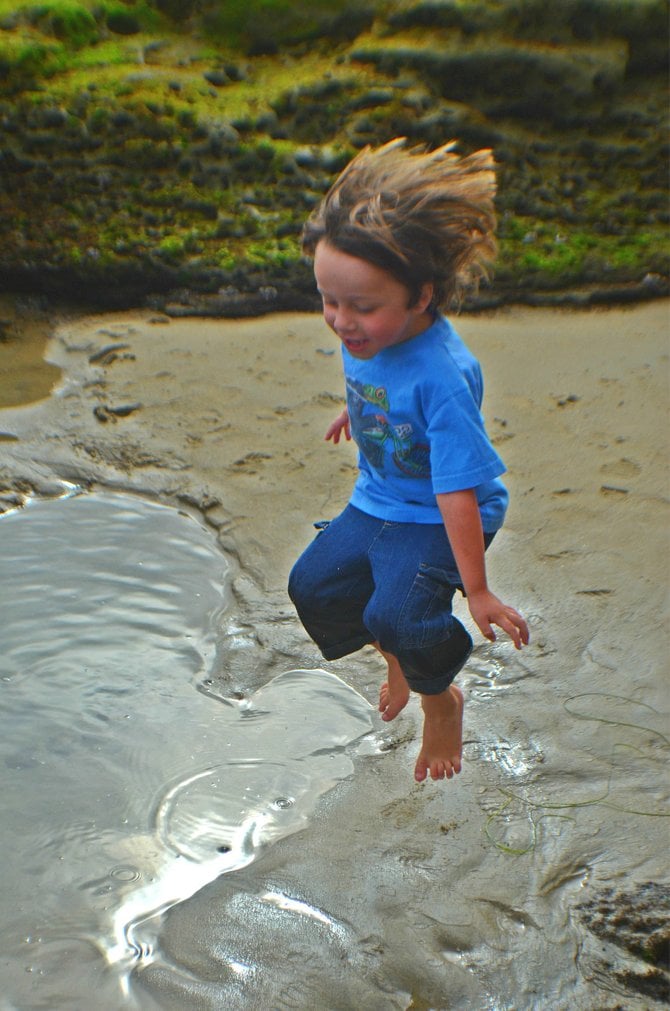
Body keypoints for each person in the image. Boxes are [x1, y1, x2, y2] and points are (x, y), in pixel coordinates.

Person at [288, 138, 529, 784]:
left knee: (400, 610)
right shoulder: (365, 335)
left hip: (441, 512)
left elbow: (457, 490)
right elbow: (373, 380)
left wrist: (475, 590)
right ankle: (396, 652)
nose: (341, 321)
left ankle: (440, 697)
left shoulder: (443, 380)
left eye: (361, 306)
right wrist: (360, 414)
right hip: (381, 496)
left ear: (422, 296)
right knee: (313, 587)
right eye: (329, 300)